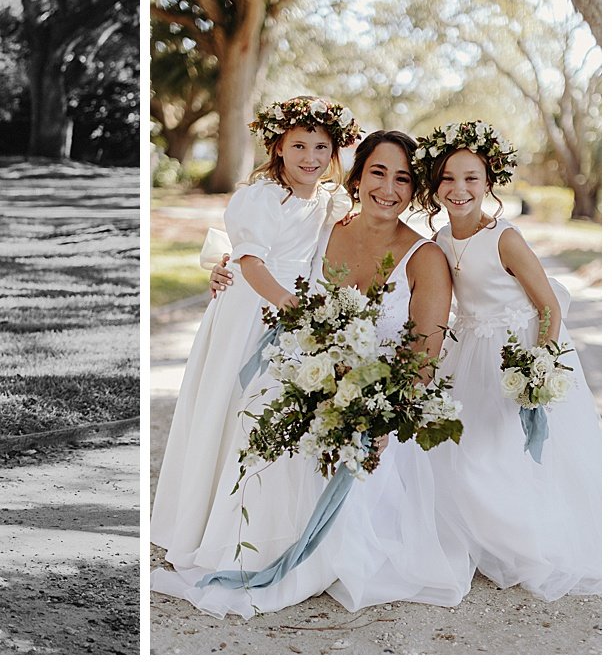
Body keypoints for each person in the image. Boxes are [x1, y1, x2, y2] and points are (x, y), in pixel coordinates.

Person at [157, 130, 471, 616]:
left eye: (403, 179)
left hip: (377, 411)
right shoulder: (326, 225)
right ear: (357, 177)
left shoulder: (426, 259)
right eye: (378, 173)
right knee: (263, 416)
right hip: (313, 384)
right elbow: (267, 249)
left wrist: (378, 419)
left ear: (416, 189)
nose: (388, 189)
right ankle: (248, 536)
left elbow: (422, 362)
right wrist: (225, 268)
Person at [151, 96, 357, 567]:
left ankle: (271, 520)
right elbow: (250, 261)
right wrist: (288, 303)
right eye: (299, 145)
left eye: (322, 147)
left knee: (284, 408)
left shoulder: (329, 200)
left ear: (335, 151)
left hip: (298, 308)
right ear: (278, 147)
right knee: (234, 404)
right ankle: (213, 521)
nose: (311, 157)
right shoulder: (261, 197)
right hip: (254, 309)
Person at [417, 121, 601, 601]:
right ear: (435, 184)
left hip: (516, 352)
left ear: (489, 183)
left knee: (505, 451)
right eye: (448, 178)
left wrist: (536, 370)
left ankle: (526, 542)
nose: (459, 189)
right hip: (470, 350)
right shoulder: (439, 237)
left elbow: (549, 307)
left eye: (471, 178)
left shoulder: (505, 237)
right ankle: (482, 536)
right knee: (464, 448)